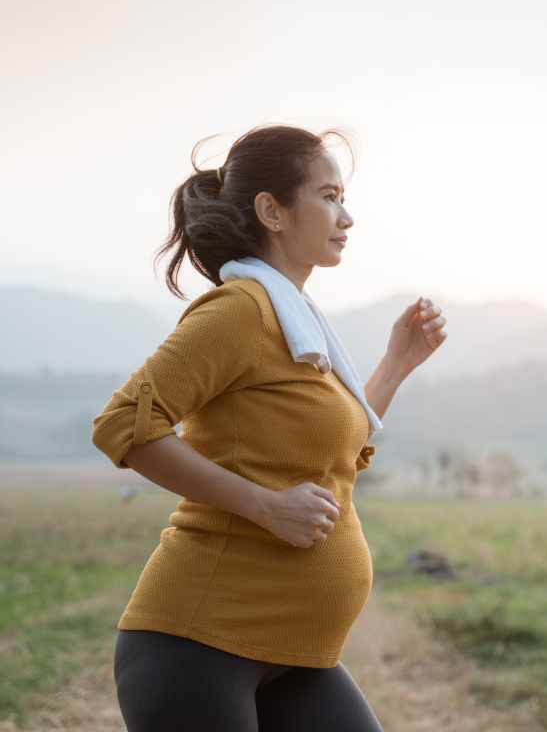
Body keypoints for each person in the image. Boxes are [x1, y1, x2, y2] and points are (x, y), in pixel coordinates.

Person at [92, 123, 448, 731]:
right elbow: (126, 424)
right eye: (329, 196)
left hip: (294, 652)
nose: (347, 217)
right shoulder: (242, 311)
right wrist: (263, 506)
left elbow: (335, 457)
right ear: (272, 211)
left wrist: (395, 365)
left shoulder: (300, 325)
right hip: (198, 645)